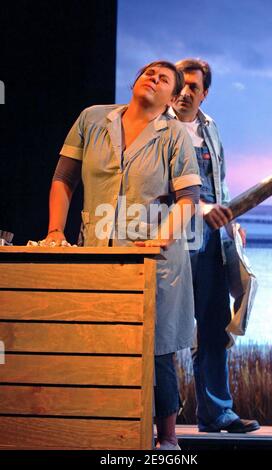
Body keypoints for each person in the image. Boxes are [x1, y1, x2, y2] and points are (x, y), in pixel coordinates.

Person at [44, 61, 201, 449]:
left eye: (164, 79)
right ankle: (105, 432)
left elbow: (188, 200)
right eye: (149, 72)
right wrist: (54, 232)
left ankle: (166, 441)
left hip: (153, 261)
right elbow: (64, 178)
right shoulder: (93, 119)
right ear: (135, 81)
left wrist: (161, 239)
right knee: (100, 342)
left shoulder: (174, 134)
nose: (154, 79)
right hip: (98, 256)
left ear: (170, 98)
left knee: (157, 349)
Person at [171, 58, 260, 433]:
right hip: (171, 237)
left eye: (193, 86)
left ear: (205, 93)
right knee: (164, 330)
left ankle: (217, 413)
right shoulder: (158, 127)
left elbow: (218, 184)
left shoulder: (211, 129)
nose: (185, 92)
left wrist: (231, 225)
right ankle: (153, 418)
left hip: (208, 240)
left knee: (213, 325)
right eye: (180, 84)